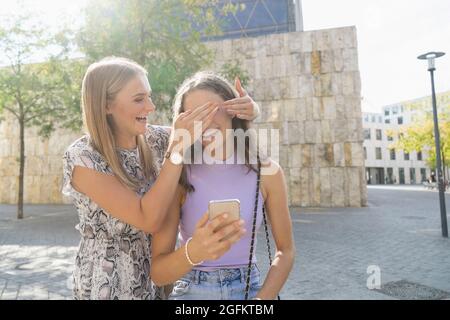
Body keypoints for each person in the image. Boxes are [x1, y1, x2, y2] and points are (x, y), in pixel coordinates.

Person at [62, 57, 259, 300]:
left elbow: (218, 134)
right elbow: (148, 219)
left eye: (149, 96)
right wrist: (176, 151)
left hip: (160, 285)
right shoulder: (84, 158)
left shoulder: (159, 139)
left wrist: (249, 112)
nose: (151, 107)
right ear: (106, 105)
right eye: (138, 99)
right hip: (109, 285)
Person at [151, 72, 295, 300]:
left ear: (233, 110)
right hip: (192, 290)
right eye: (194, 115)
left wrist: (261, 301)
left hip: (251, 290)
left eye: (210, 109)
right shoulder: (178, 175)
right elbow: (158, 274)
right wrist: (194, 251)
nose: (204, 121)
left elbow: (285, 251)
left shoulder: (268, 172)